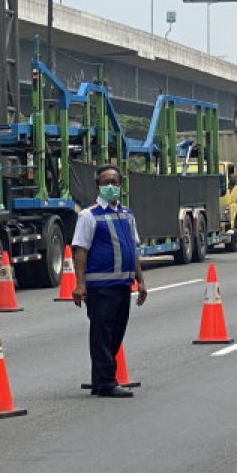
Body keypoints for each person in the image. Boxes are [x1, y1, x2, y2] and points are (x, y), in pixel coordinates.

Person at [72, 165, 147, 398]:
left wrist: (140, 280)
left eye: (115, 181)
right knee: (101, 334)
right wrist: (80, 284)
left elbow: (132, 249)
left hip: (123, 285)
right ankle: (105, 382)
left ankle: (101, 380)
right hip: (100, 287)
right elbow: (80, 250)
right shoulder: (88, 215)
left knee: (116, 333)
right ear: (98, 186)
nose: (111, 186)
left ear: (121, 185)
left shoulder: (127, 214)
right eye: (106, 182)